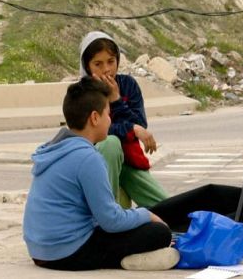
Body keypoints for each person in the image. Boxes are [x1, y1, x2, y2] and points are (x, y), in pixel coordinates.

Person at [22, 76, 180, 271]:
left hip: (39, 250)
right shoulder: (87, 158)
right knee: (159, 232)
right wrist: (145, 214)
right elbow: (111, 221)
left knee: (136, 225)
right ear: (95, 118)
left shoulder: (54, 148)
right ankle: (126, 260)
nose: (110, 119)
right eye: (108, 113)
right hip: (67, 253)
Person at [79, 31, 168, 209]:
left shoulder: (128, 84)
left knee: (167, 206)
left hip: (129, 162)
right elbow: (96, 133)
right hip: (97, 163)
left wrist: (116, 99)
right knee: (110, 143)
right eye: (98, 64)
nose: (106, 69)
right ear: (88, 67)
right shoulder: (82, 93)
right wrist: (131, 129)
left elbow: (140, 124)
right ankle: (106, 210)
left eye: (111, 61)